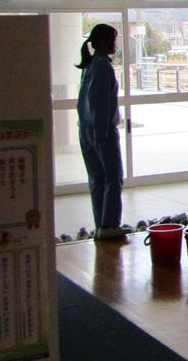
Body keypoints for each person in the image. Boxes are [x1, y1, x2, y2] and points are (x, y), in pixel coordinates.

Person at [76, 24, 128, 240]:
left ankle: (101, 225)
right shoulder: (102, 66)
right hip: (101, 130)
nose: (115, 44)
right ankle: (109, 225)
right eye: (113, 39)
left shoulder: (89, 65)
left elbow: (85, 102)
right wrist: (101, 133)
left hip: (85, 129)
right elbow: (100, 102)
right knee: (113, 177)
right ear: (104, 42)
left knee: (97, 178)